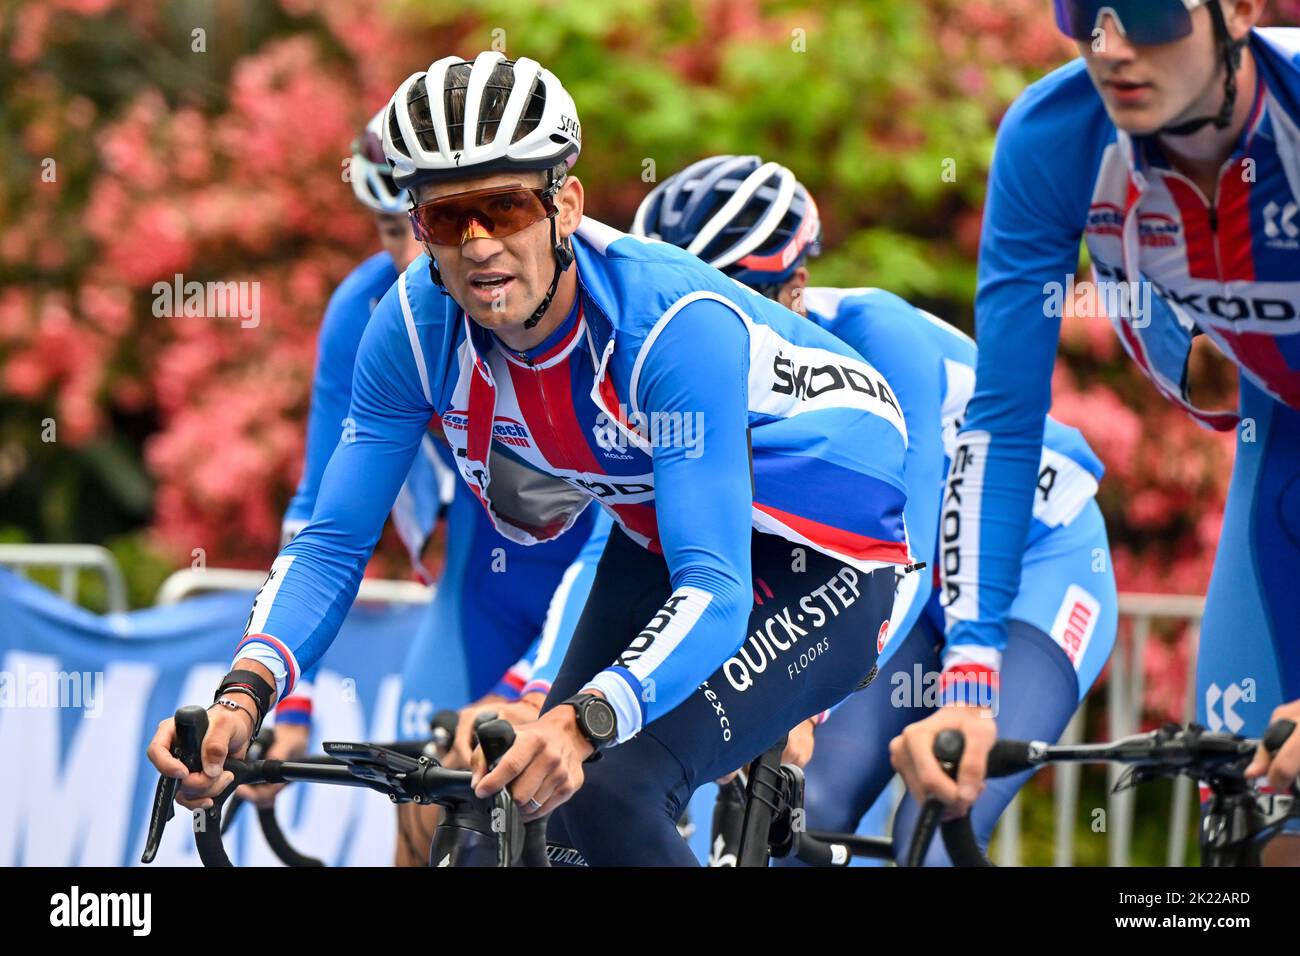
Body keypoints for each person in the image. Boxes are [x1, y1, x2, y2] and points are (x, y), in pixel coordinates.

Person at [148, 50, 913, 866]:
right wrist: (244, 698)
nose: (479, 245)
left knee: (610, 784)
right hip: (666, 526)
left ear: (566, 206)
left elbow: (716, 587)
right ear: (418, 230)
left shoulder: (664, 324)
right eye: (448, 219)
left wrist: (586, 719)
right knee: (536, 798)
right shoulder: (410, 329)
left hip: (829, 549)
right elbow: (332, 544)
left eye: (506, 207)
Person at [898, 0, 1300, 861]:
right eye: (1083, 11)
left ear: (1240, 10)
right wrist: (970, 679)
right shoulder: (1056, 136)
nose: (1110, 45)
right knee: (1260, 821)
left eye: (1149, 10)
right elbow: (1005, 424)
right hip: (1280, 450)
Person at [632, 154, 1117, 864]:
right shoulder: (672, 370)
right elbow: (625, 542)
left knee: (939, 814)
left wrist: (799, 706)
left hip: (1033, 562)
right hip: (902, 596)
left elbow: (907, 550)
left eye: (725, 304)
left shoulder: (878, 336)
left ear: (794, 289)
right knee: (801, 810)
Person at [233, 109, 596, 865]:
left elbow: (630, 524)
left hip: (599, 573)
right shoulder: (377, 315)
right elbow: (324, 519)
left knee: (589, 810)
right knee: (424, 810)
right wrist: (284, 696)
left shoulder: (558, 294)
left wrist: (534, 685)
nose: (410, 257)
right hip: (482, 579)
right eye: (402, 229)